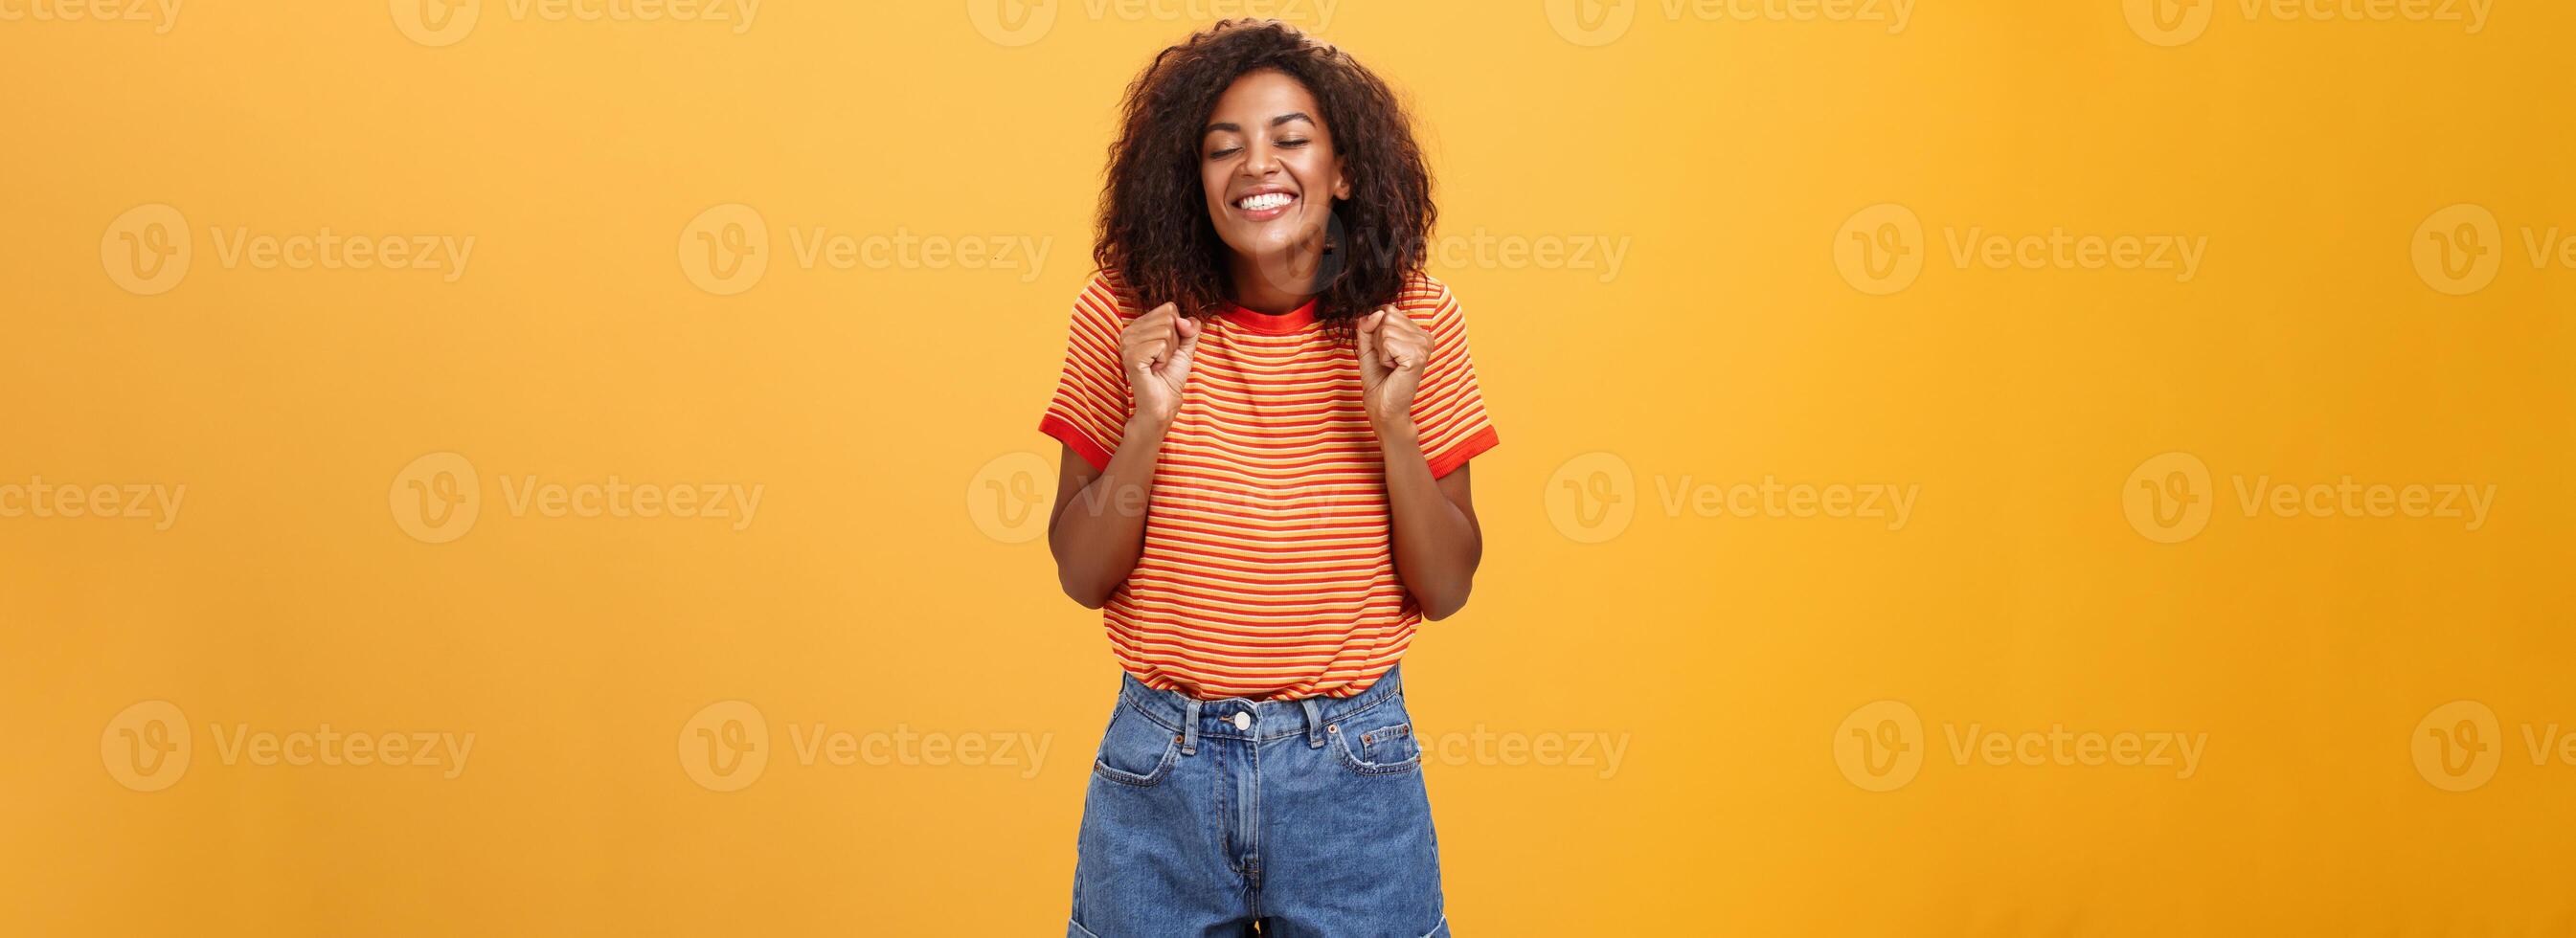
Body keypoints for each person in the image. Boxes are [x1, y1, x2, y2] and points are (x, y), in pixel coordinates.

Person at [1041, 19, 1498, 937]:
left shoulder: (1414, 315)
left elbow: (1446, 588)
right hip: (1159, 772)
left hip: (1352, 772)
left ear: (1344, 171)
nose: (1258, 166)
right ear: (1192, 178)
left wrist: (1393, 424)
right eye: (1224, 149)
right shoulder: (1127, 315)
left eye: (1291, 139)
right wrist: (1148, 420)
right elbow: (1082, 574)